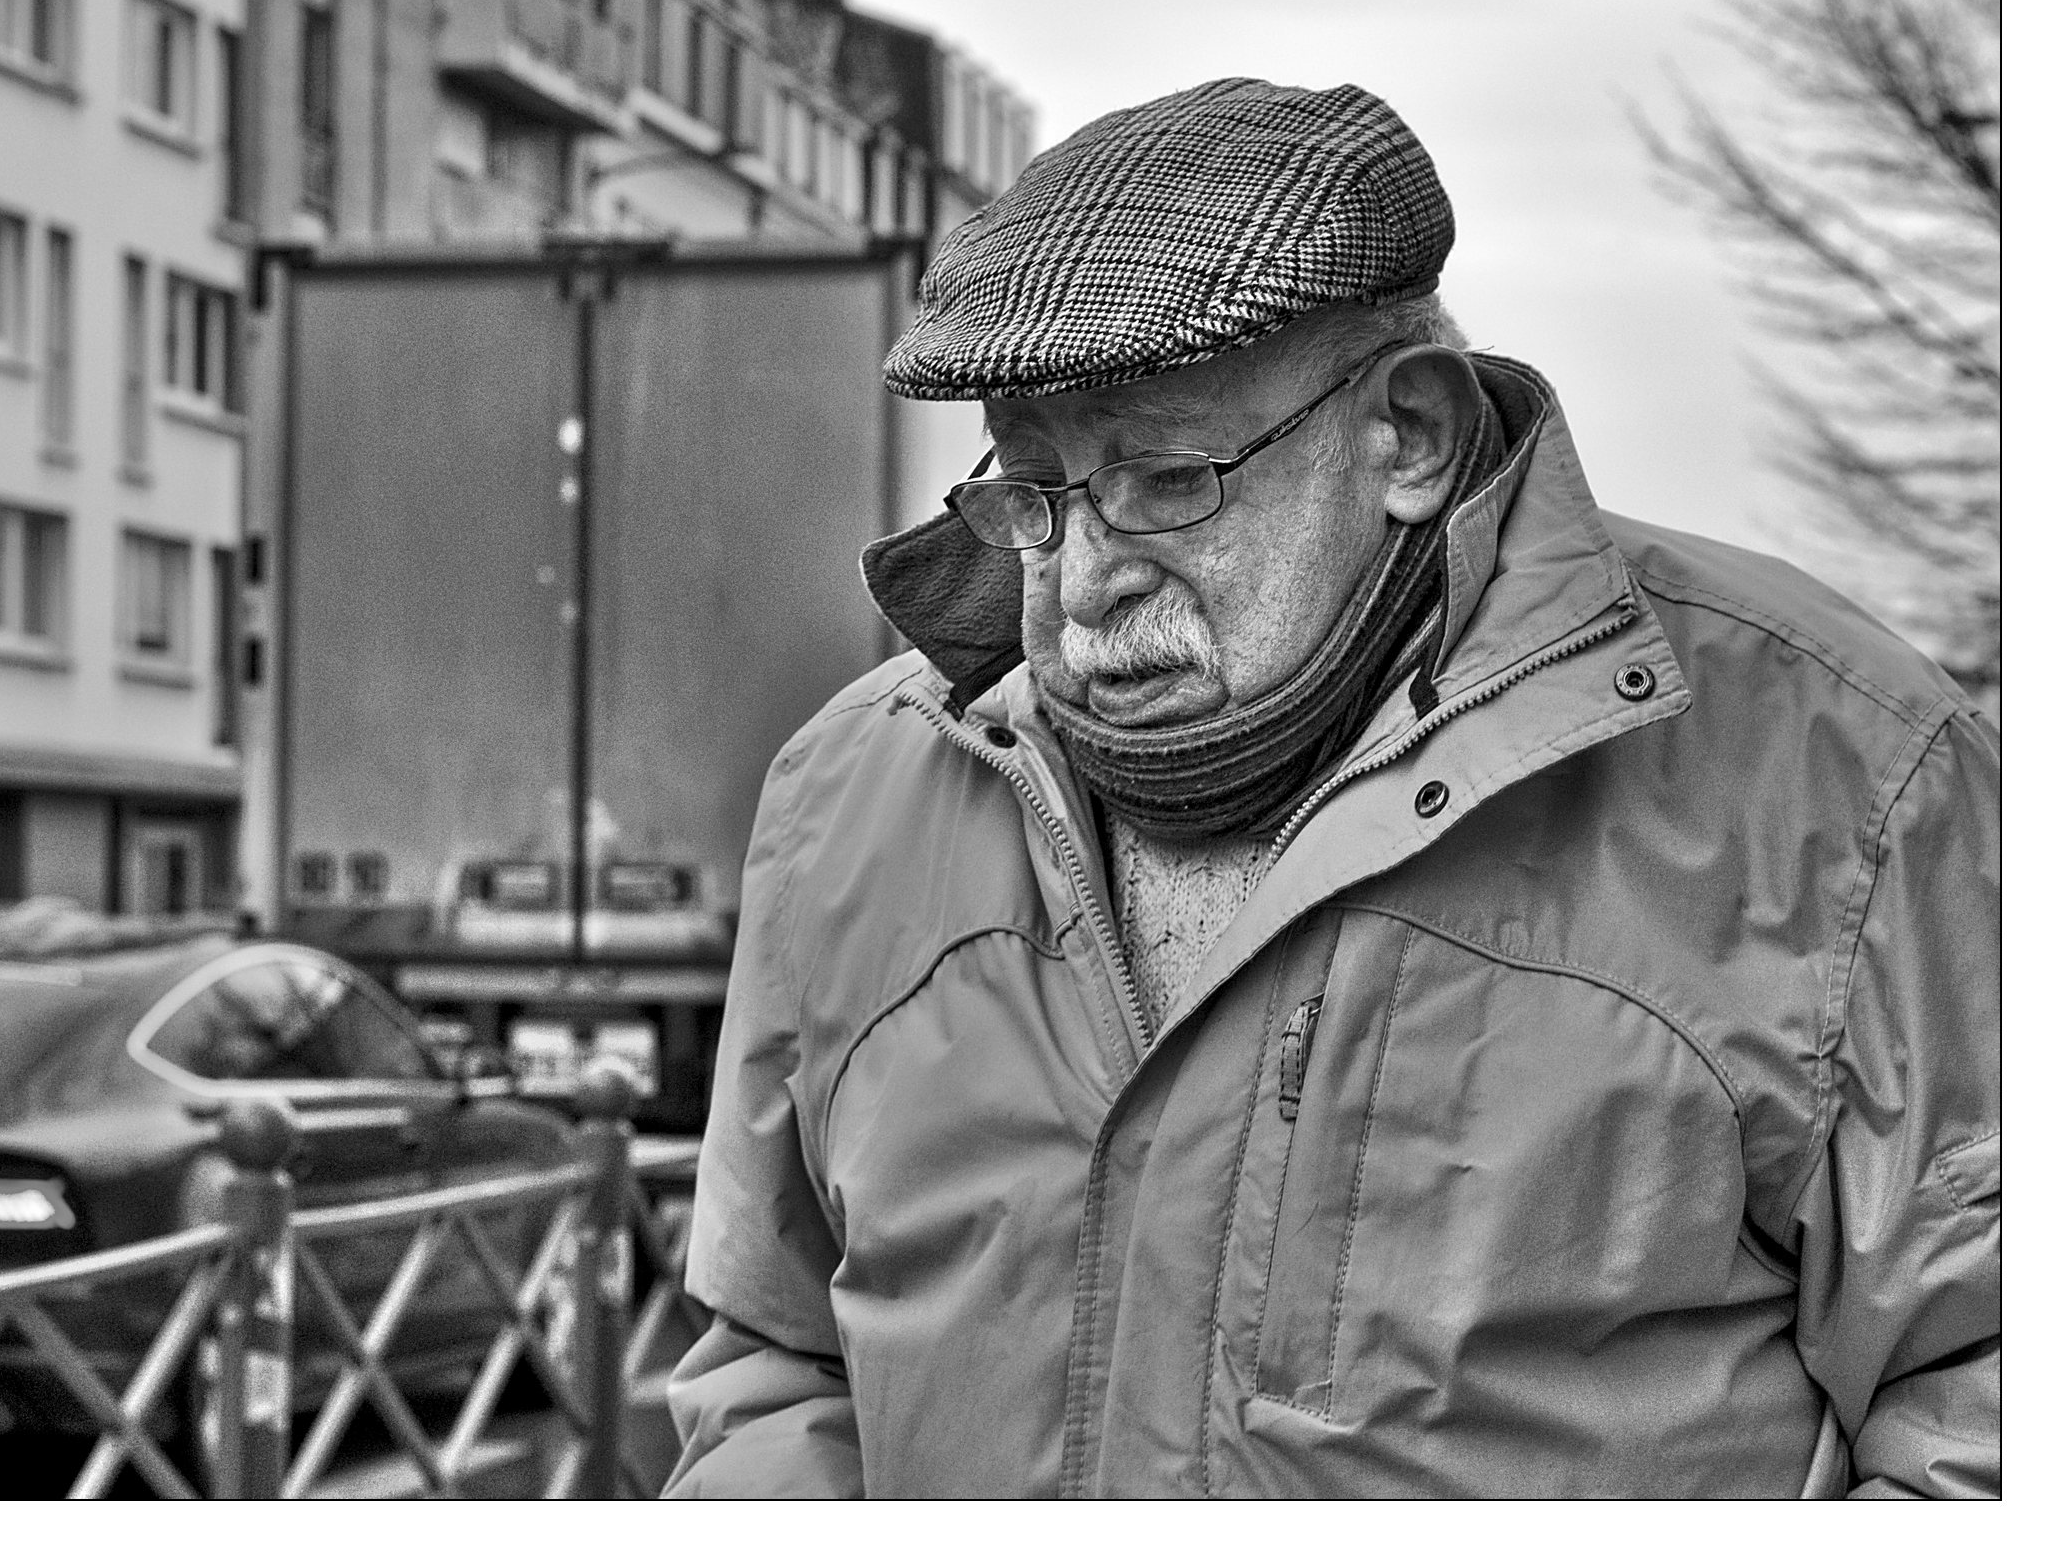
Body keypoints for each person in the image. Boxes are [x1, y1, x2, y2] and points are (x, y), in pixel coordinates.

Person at [662, 79, 2000, 1499]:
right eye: (1035, 491)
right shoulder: (849, 791)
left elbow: (1987, 1415)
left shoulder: (1849, 780)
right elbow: (779, 1366)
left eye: (1165, 480)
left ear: (1409, 434)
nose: (1083, 583)